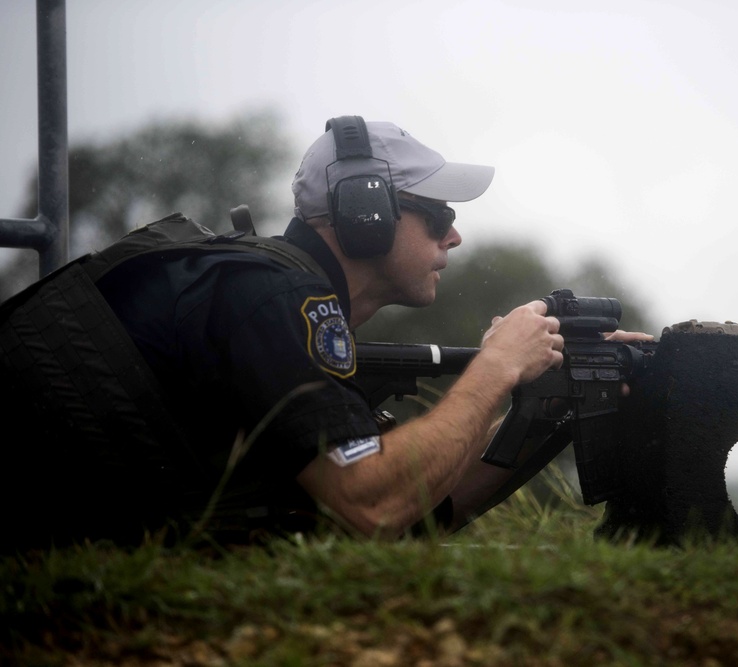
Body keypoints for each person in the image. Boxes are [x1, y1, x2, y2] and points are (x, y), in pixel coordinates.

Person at [0, 116, 573, 546]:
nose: (454, 238)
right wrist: (493, 369)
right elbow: (370, 505)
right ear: (364, 211)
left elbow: (418, 511)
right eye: (439, 217)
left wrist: (545, 403)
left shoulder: (267, 289)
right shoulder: (277, 298)